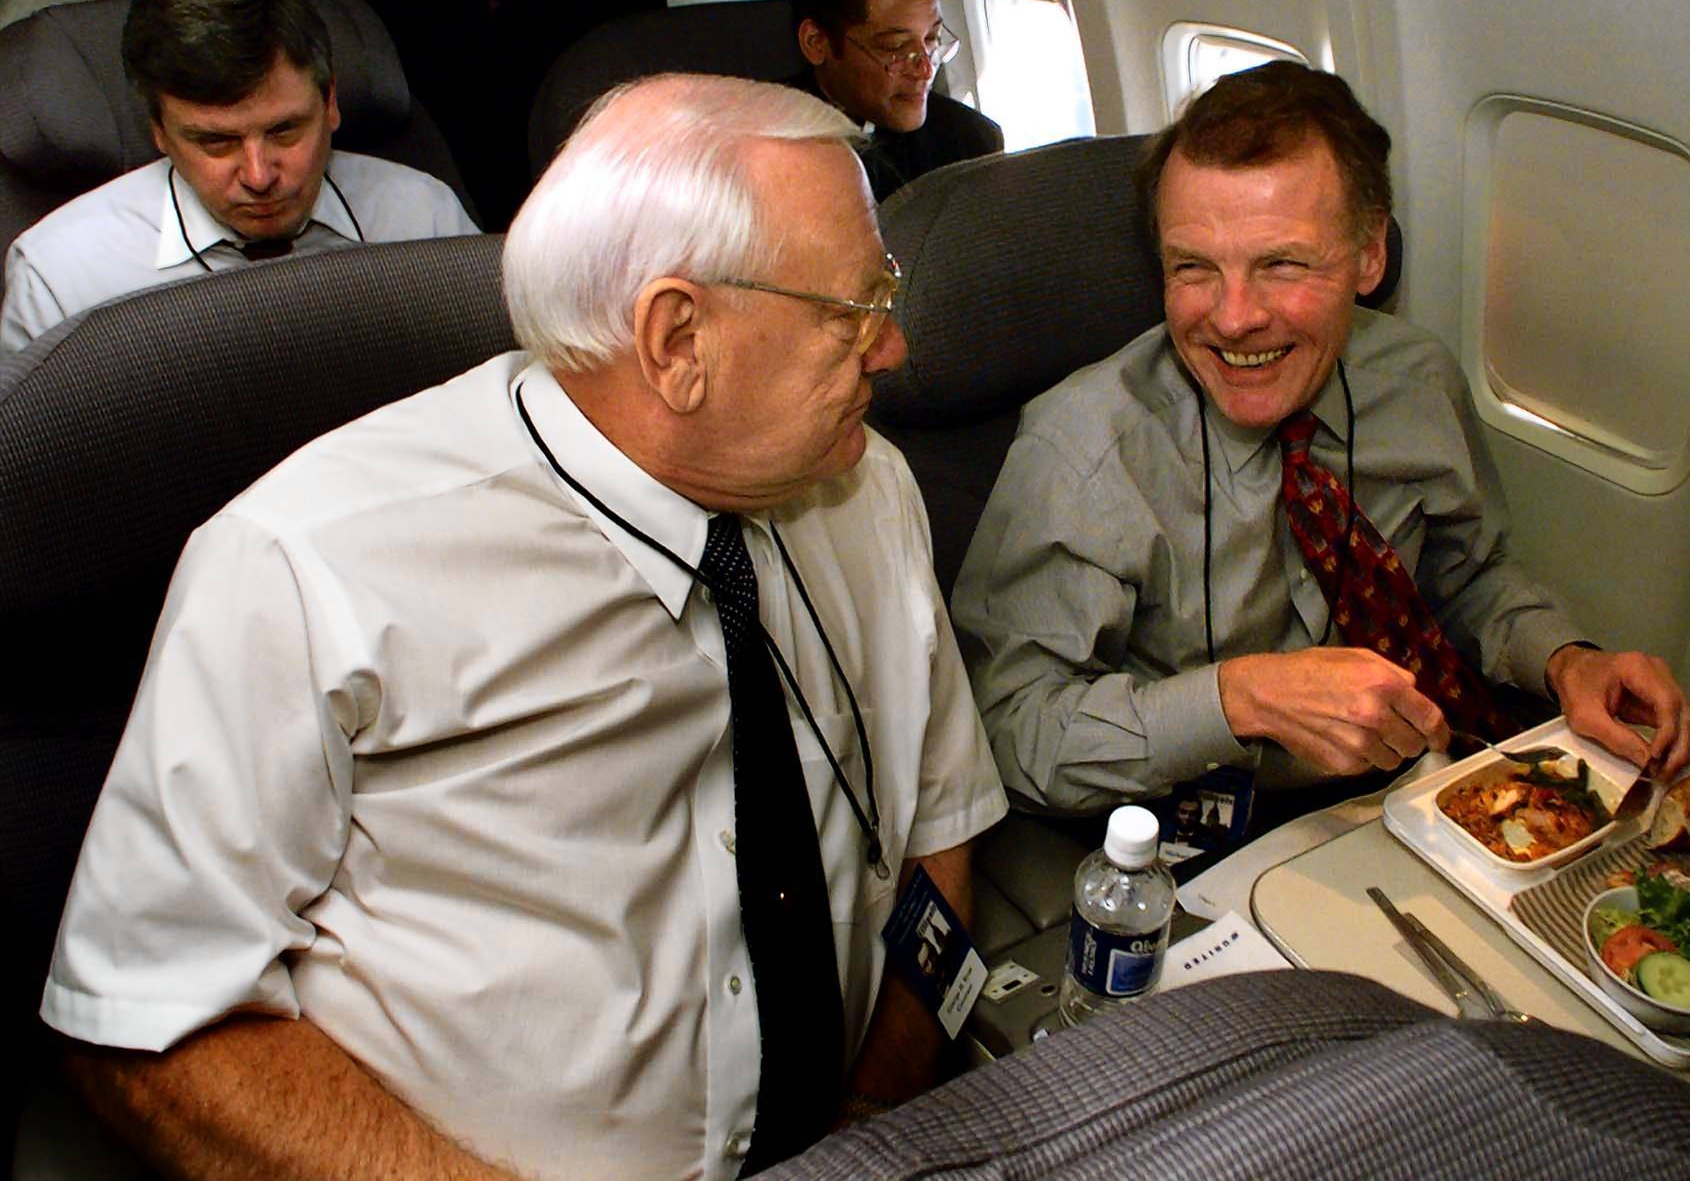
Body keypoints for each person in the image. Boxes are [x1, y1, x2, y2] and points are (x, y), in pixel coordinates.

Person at [41, 73, 1007, 1179]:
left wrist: (880, 1110)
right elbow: (149, 1024)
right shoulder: (304, 566)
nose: (893, 350)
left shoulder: (864, 486)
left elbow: (942, 815)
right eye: (856, 311)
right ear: (678, 339)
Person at [952, 61, 1690, 823]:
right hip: (1210, 825)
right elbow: (1014, 731)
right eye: (1195, 268)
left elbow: (1466, 578)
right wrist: (1238, 698)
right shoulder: (1084, 450)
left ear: (1370, 253)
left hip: (1425, 781)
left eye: (1281, 264)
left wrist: (1566, 660)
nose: (1235, 317)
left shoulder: (1416, 381)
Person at [1, 0, 478, 353]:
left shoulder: (422, 217)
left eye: (285, 130)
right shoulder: (62, 276)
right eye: (216, 141)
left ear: (329, 103)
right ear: (159, 132)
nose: (259, 175)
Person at [789, 0, 1003, 202]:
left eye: (932, 38)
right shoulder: (756, 153)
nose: (926, 70)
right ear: (816, 42)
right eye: (896, 47)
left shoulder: (973, 142)